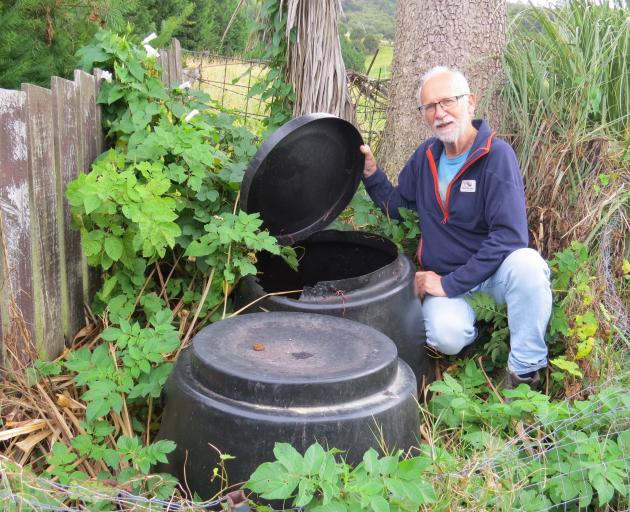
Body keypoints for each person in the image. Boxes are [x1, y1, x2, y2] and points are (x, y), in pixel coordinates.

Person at [360, 66, 552, 389]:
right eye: (430, 107)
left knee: (529, 267)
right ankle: (478, 330)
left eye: (448, 101)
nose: (440, 113)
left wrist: (448, 284)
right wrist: (372, 174)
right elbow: (398, 206)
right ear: (423, 115)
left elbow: (510, 236)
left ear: (471, 102)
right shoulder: (426, 157)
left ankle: (523, 374)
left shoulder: (496, 156)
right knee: (445, 335)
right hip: (449, 284)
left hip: (492, 276)